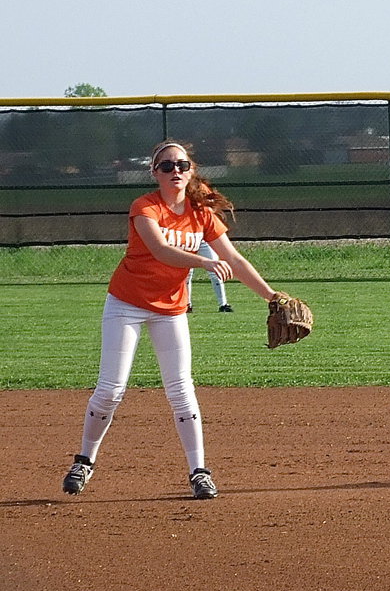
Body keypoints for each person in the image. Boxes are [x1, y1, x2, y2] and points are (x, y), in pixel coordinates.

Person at [62, 140, 290, 499]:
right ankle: (84, 460)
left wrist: (273, 296)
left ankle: (199, 471)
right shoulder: (144, 207)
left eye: (181, 165)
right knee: (111, 390)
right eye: (166, 166)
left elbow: (237, 260)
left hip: (171, 308)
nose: (175, 171)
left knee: (181, 389)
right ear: (155, 173)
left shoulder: (201, 214)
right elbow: (160, 250)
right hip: (127, 303)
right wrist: (204, 261)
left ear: (191, 170)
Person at [186, 177, 233, 313]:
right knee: (187, 273)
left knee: (215, 269)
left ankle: (223, 304)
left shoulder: (200, 187)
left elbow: (210, 205)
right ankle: (187, 304)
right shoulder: (179, 192)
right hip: (188, 236)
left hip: (204, 237)